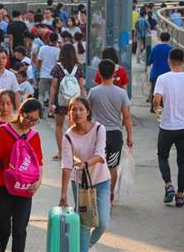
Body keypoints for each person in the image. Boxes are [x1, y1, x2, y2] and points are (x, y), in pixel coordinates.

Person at [0, 98, 43, 252]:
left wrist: (39, 181)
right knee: (3, 231)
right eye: (28, 118)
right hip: (1, 187)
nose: (30, 123)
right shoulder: (3, 131)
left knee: (20, 231)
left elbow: (39, 162)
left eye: (35, 120)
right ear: (21, 112)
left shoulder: (34, 136)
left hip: (24, 188)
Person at [59, 97, 111, 252]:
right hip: (80, 183)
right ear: (69, 113)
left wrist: (85, 164)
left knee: (102, 223)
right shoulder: (68, 136)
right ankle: (82, 248)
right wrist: (63, 194)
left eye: (81, 109)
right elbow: (66, 166)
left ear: (88, 112)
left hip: (101, 180)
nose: (77, 112)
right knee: (84, 223)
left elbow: (100, 155)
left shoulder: (99, 128)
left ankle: (85, 244)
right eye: (73, 109)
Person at [153, 49, 184, 207]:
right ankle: (180, 195)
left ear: (169, 61)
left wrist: (157, 108)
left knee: (162, 156)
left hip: (167, 126)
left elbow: (156, 100)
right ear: (183, 61)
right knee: (183, 162)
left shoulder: (163, 78)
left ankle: (168, 186)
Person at [88, 59, 133, 206]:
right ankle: (109, 195)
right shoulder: (121, 93)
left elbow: (87, 113)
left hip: (97, 134)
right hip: (115, 135)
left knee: (96, 164)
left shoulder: (93, 92)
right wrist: (129, 136)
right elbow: (126, 116)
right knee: (112, 166)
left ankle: (95, 193)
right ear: (114, 73)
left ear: (99, 73)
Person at [49, 43, 85, 161]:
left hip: (61, 102)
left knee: (59, 126)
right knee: (74, 126)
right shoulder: (78, 67)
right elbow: (81, 86)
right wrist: (83, 103)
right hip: (74, 103)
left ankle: (61, 152)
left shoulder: (57, 67)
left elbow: (54, 86)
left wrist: (51, 103)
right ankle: (74, 153)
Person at [148, 32, 172, 113]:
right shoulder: (171, 49)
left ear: (160, 38)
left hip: (155, 73)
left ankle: (154, 107)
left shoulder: (155, 48)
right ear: (169, 39)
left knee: (155, 91)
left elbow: (150, 60)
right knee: (166, 93)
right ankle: (164, 107)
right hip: (167, 74)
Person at [37, 33, 61, 110]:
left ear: (48, 39)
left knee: (41, 94)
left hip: (43, 74)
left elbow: (39, 61)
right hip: (54, 76)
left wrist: (39, 71)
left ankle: (40, 109)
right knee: (53, 94)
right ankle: (52, 110)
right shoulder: (58, 50)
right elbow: (58, 64)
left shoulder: (42, 48)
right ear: (57, 40)